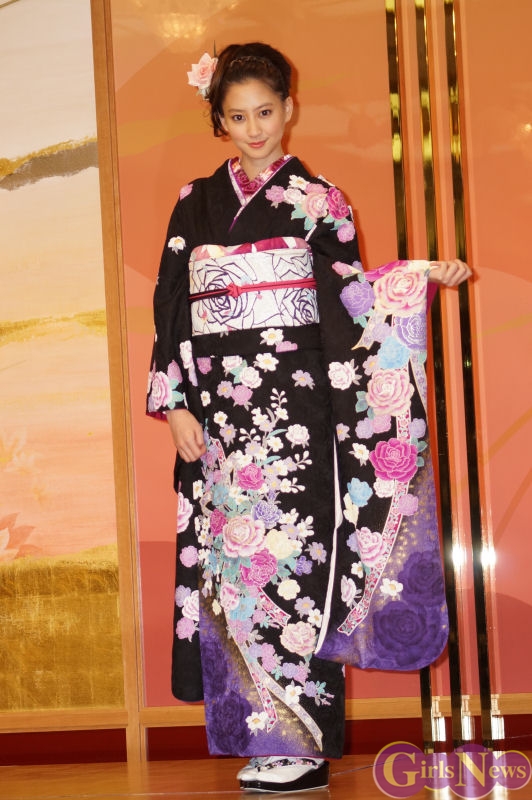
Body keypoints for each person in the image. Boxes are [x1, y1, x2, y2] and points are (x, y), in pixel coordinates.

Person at [146, 42, 472, 793]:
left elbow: (352, 298)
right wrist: (178, 406)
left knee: (295, 567)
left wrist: (419, 276)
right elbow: (171, 309)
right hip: (221, 423)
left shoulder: (322, 202)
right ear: (219, 121)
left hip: (297, 417)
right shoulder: (194, 203)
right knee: (234, 573)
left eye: (266, 112)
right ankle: (256, 737)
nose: (254, 129)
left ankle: (304, 744)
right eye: (237, 117)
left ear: (289, 109)